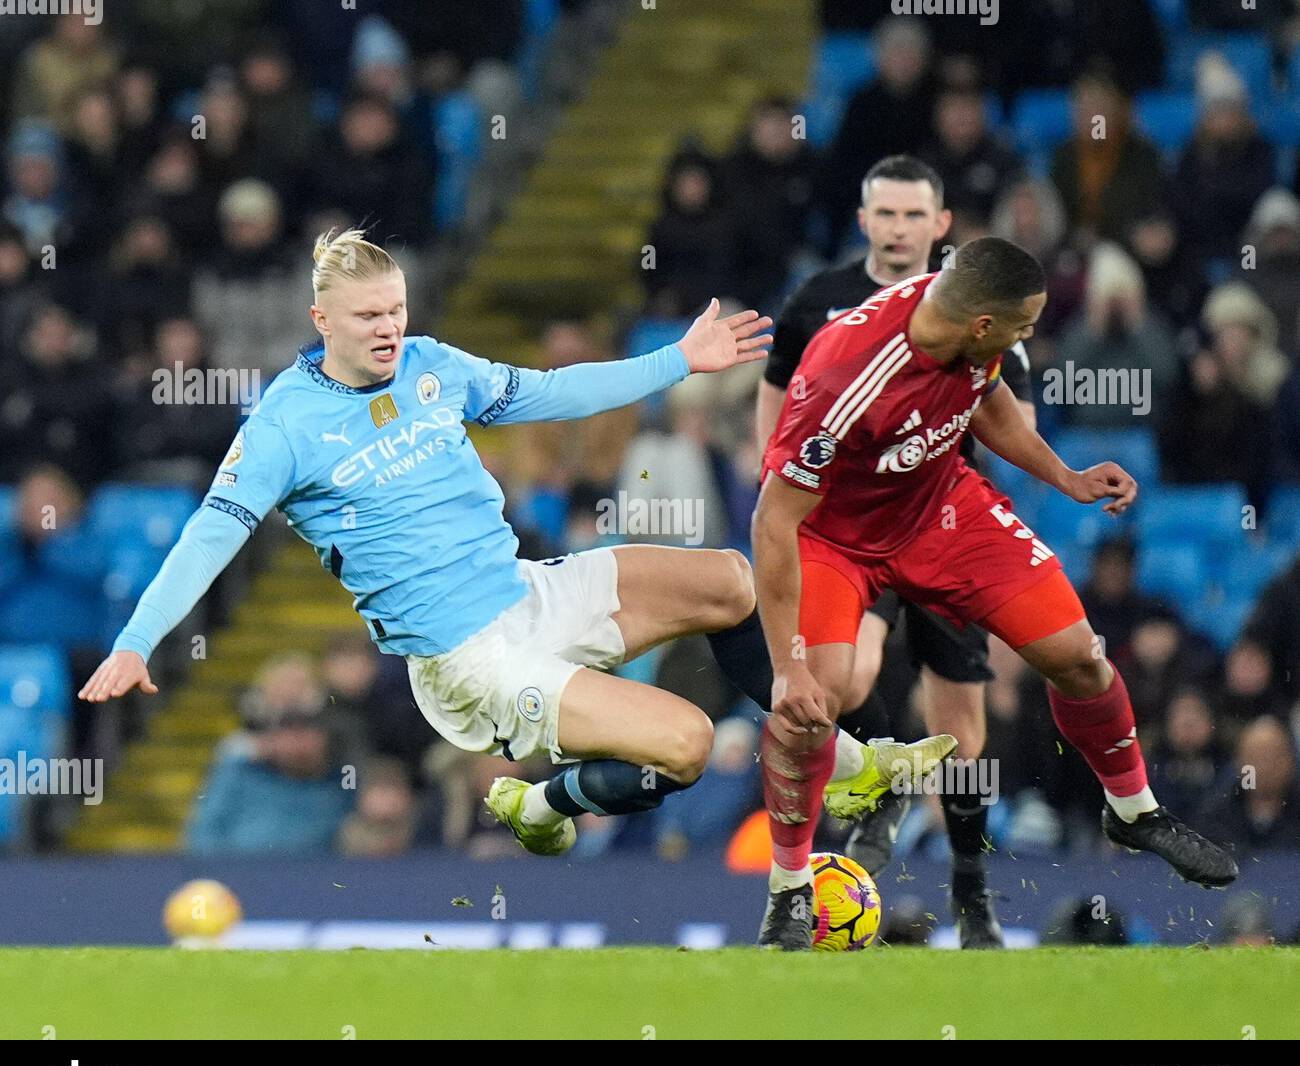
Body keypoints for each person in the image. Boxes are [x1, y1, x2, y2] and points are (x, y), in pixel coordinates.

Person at [79, 226, 806, 857]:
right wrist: (138, 641)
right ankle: (543, 805)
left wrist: (677, 360)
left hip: (527, 591)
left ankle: (813, 741)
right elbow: (208, 537)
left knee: (728, 580)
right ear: (321, 320)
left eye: (395, 309)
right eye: (368, 315)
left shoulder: (432, 365)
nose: (388, 327)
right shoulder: (282, 427)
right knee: (687, 745)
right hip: (467, 659)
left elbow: (549, 392)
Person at [749, 237, 1237, 951]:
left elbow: (992, 404)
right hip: (835, 542)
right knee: (808, 708)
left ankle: (1133, 809)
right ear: (982, 324)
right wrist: (787, 663)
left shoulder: (969, 333)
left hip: (942, 510)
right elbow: (772, 521)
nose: (1028, 335)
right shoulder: (843, 375)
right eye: (1024, 325)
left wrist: (1066, 477)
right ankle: (789, 890)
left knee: (1079, 656)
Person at [717, 155, 1035, 947]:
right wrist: (781, 496)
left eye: (912, 216)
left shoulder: (981, 316)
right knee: (847, 673)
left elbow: (1010, 422)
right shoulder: (819, 304)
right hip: (846, 534)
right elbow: (776, 400)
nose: (897, 230)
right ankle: (881, 781)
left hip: (939, 526)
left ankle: (971, 885)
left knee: (962, 728)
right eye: (884, 215)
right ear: (863, 221)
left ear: (941, 226)